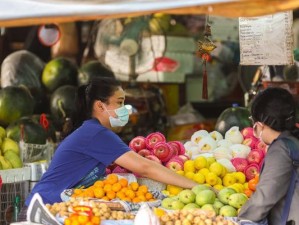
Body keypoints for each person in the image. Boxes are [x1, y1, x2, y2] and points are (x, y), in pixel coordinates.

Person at [24, 77, 197, 207]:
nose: (125, 110)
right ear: (100, 106)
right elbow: (146, 168)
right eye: (120, 103)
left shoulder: (93, 131)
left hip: (55, 206)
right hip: (45, 209)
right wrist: (196, 187)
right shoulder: (96, 133)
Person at [238, 87, 299, 225]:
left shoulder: (281, 149)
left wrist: (240, 219)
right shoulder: (293, 140)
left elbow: (264, 198)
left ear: (261, 124)